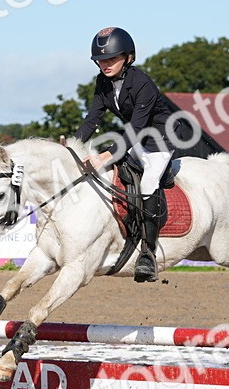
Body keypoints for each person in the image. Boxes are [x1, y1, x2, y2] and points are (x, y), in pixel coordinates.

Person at [75, 26, 176, 283]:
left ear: (128, 57)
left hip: (159, 140)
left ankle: (148, 255)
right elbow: (92, 119)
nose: (105, 64)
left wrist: (104, 156)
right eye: (100, 60)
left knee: (148, 185)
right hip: (136, 139)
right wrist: (73, 147)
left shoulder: (142, 84)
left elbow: (135, 130)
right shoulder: (102, 82)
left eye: (111, 58)